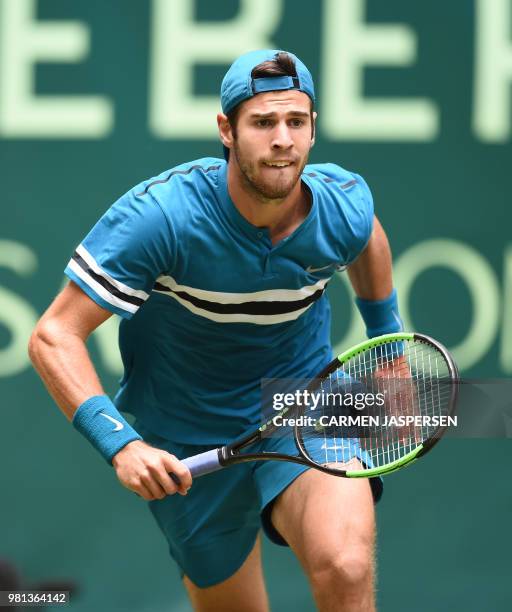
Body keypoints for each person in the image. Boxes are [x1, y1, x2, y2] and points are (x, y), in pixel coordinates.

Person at [29, 49, 402, 612]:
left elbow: (366, 235)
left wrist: (389, 339)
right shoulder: (161, 218)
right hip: (186, 432)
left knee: (346, 567)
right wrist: (121, 445)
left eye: (296, 122)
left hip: (301, 403)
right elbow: (53, 335)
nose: (283, 140)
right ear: (227, 130)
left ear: (313, 129)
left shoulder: (340, 205)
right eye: (263, 123)